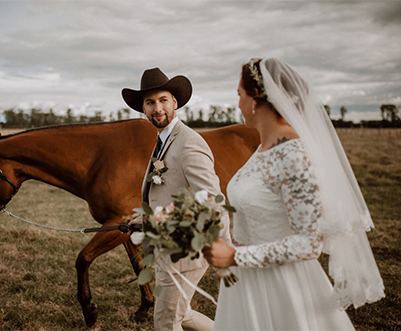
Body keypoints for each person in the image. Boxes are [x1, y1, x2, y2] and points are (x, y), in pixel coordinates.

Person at [202, 58, 384, 329]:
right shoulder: (263, 149)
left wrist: (235, 257)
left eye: (240, 95)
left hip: (282, 287)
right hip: (245, 283)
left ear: (255, 98)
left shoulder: (295, 155)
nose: (238, 103)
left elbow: (310, 243)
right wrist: (229, 260)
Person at [123, 68, 230, 331]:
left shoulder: (188, 142)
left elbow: (212, 201)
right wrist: (145, 220)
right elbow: (170, 192)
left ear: (175, 102)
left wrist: (225, 256)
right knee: (183, 315)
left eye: (163, 100)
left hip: (185, 254)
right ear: (143, 109)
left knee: (166, 323)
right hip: (166, 248)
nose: (157, 108)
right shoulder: (163, 140)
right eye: (150, 103)